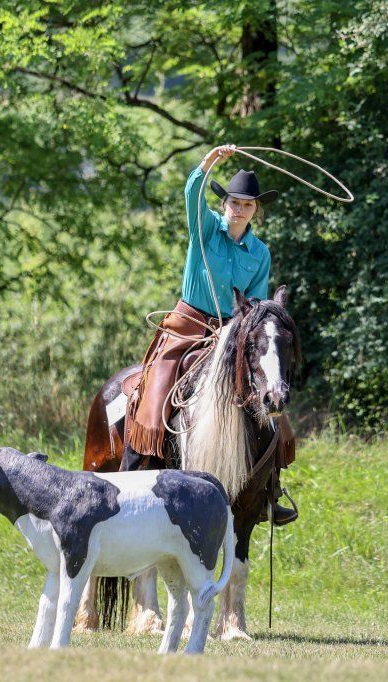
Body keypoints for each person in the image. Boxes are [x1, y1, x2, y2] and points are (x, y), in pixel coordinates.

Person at [121, 143, 297, 526]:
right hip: (187, 325)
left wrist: (241, 333)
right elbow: (190, 192)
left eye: (247, 205)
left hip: (233, 332)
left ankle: (269, 489)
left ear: (256, 211)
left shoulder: (260, 252)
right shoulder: (205, 229)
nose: (239, 209)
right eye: (233, 202)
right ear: (224, 205)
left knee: (272, 400)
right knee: (155, 390)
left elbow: (255, 302)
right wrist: (210, 161)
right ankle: (129, 474)